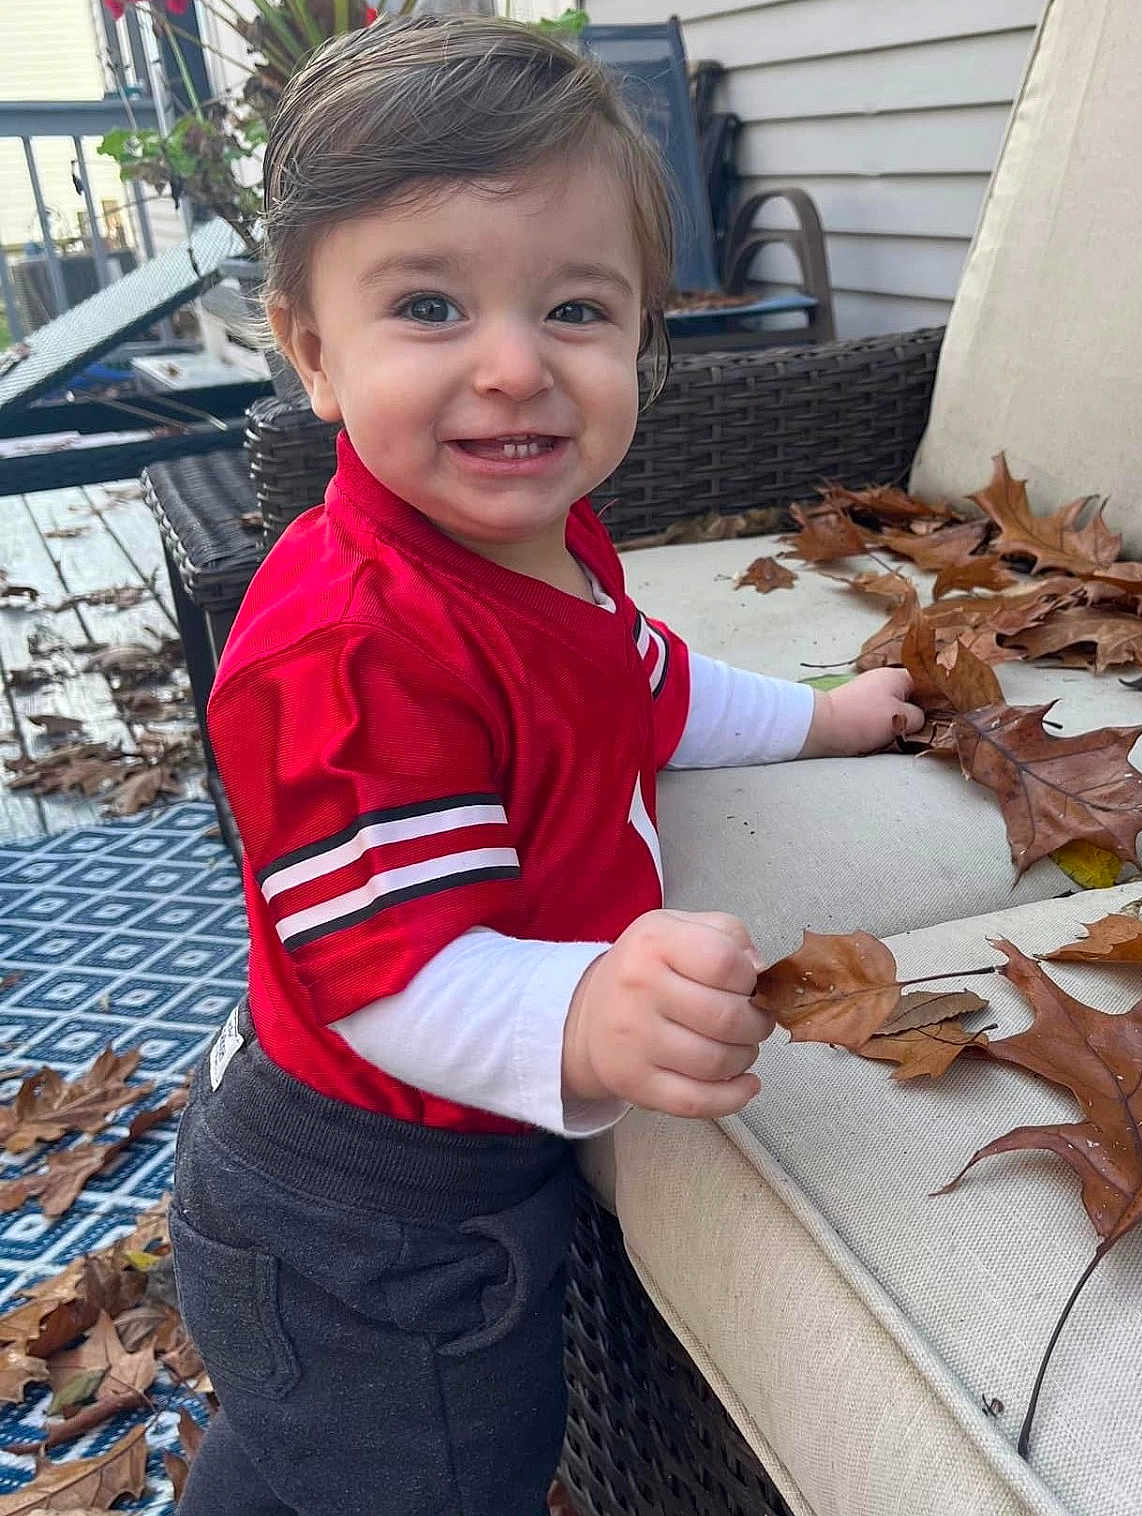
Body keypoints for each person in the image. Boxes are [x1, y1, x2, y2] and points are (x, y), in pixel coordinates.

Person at [169, 17, 923, 1515]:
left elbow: (641, 685)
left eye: (576, 309)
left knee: (288, 1471)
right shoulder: (354, 652)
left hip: (394, 1203)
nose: (515, 368)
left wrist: (816, 717)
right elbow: (390, 978)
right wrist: (581, 1010)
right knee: (441, 1481)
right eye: (432, 306)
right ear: (312, 353)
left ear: (645, 334)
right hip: (369, 1224)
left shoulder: (550, 541)